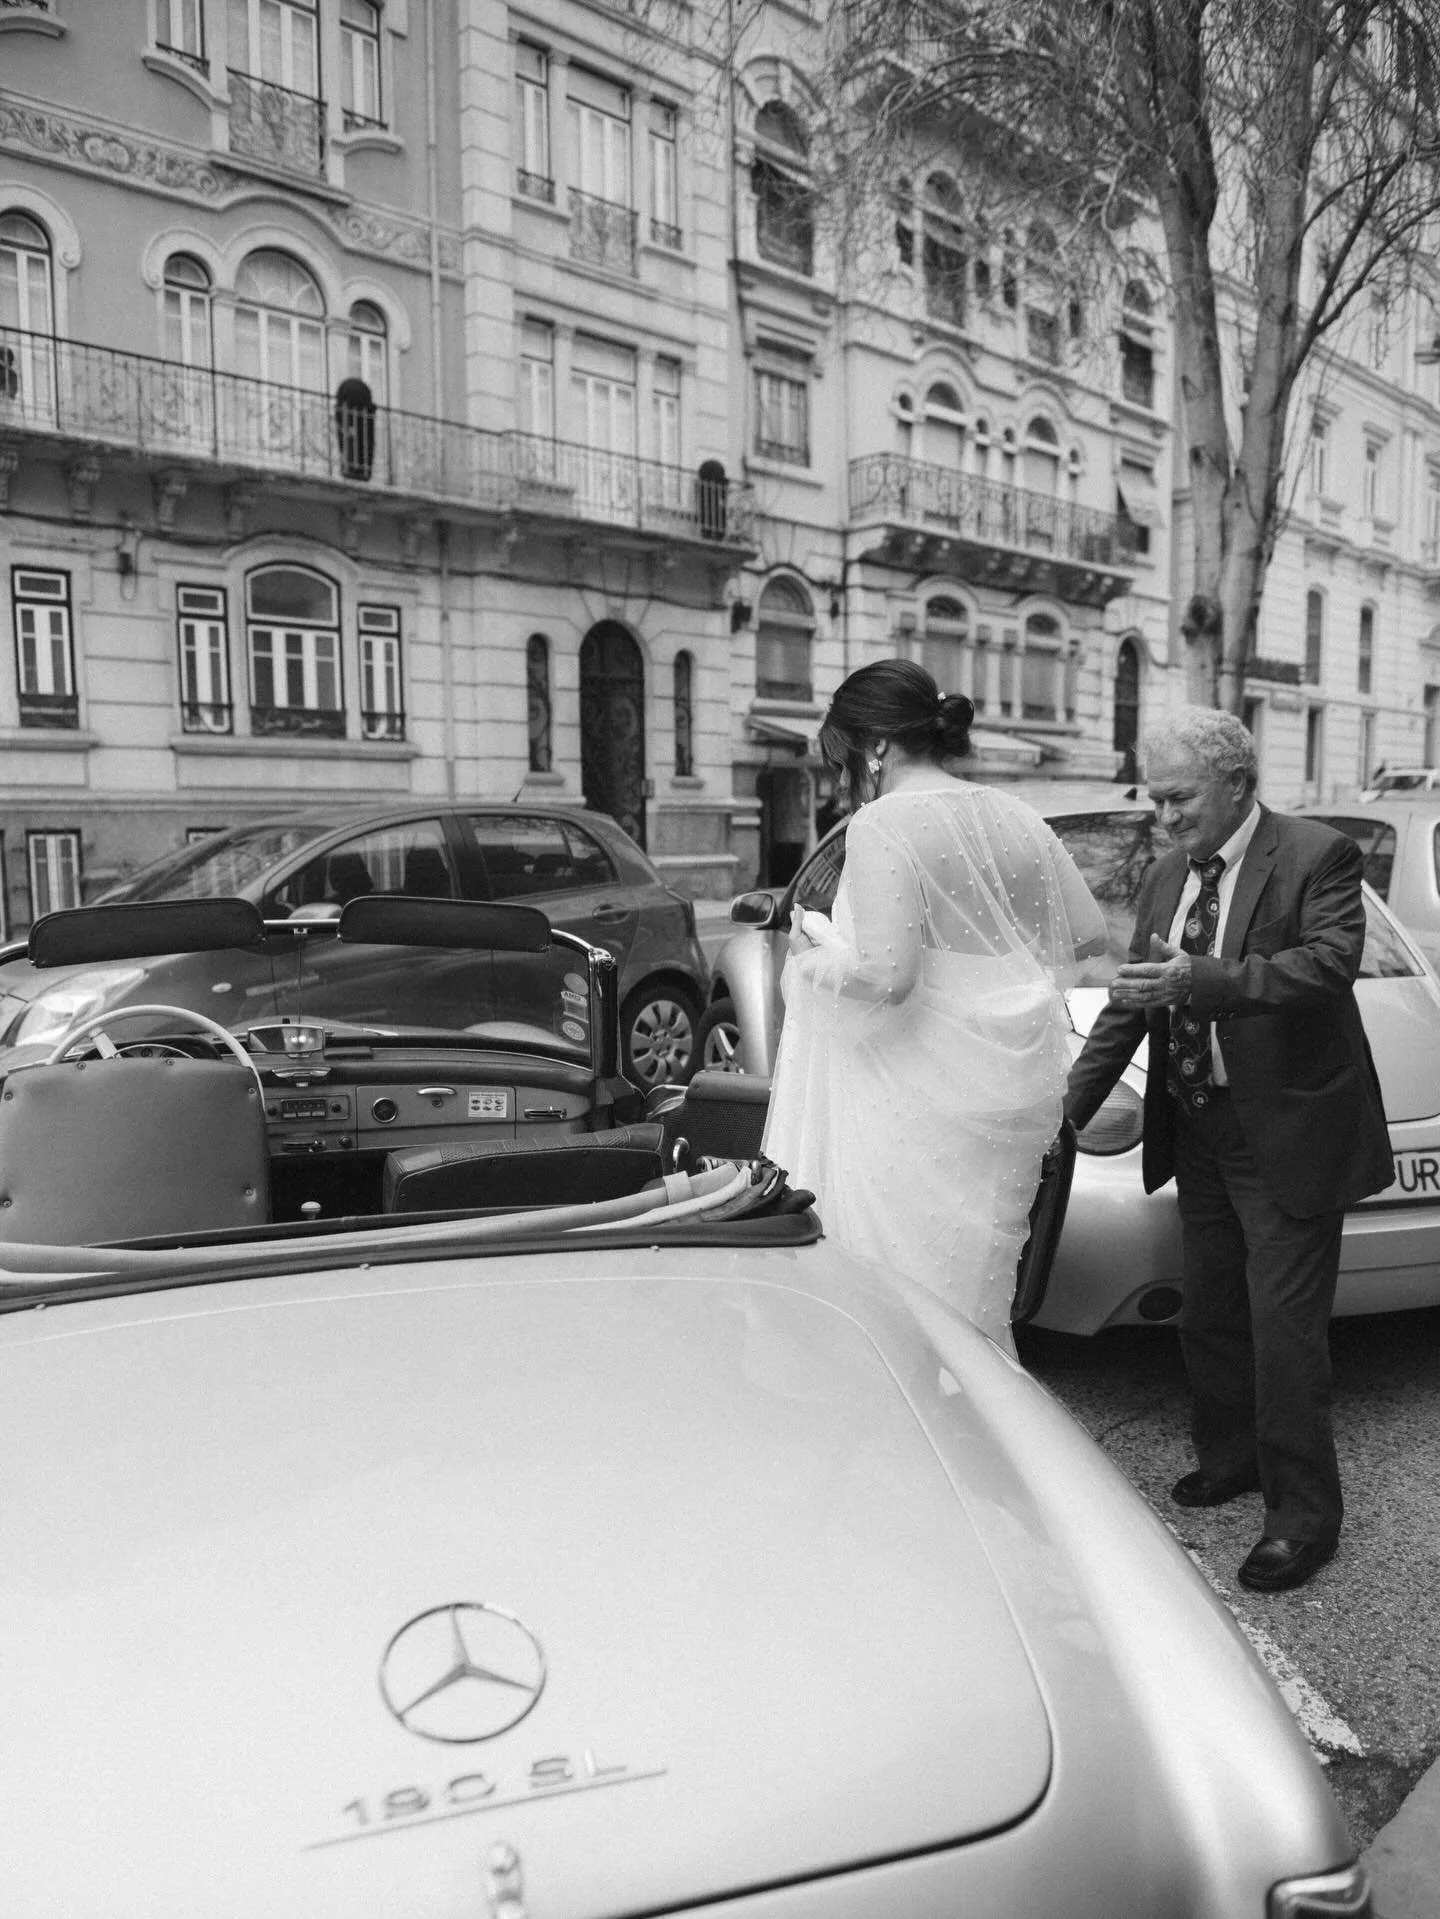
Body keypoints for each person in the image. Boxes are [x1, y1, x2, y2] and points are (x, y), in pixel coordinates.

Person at [1065, 707, 1393, 1593]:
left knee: (1286, 1335)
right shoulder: (1170, 872)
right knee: (1209, 1313)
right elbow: (1132, 1003)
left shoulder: (1319, 854)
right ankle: (1233, 1457)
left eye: (1178, 797)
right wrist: (1062, 1116)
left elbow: (1326, 966)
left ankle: (1301, 1520)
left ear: (1238, 784)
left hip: (1285, 1135)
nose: (1163, 816)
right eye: (1155, 797)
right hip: (1199, 1128)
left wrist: (1197, 980)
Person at [761, 659, 1107, 1353]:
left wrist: (811, 954)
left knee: (904, 1302)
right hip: (1003, 1098)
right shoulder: (1018, 816)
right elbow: (1089, 933)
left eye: (843, 758)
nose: (842, 777)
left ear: (878, 745)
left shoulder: (883, 824)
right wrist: (986, 965)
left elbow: (887, 976)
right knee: (974, 1299)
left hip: (914, 1105)